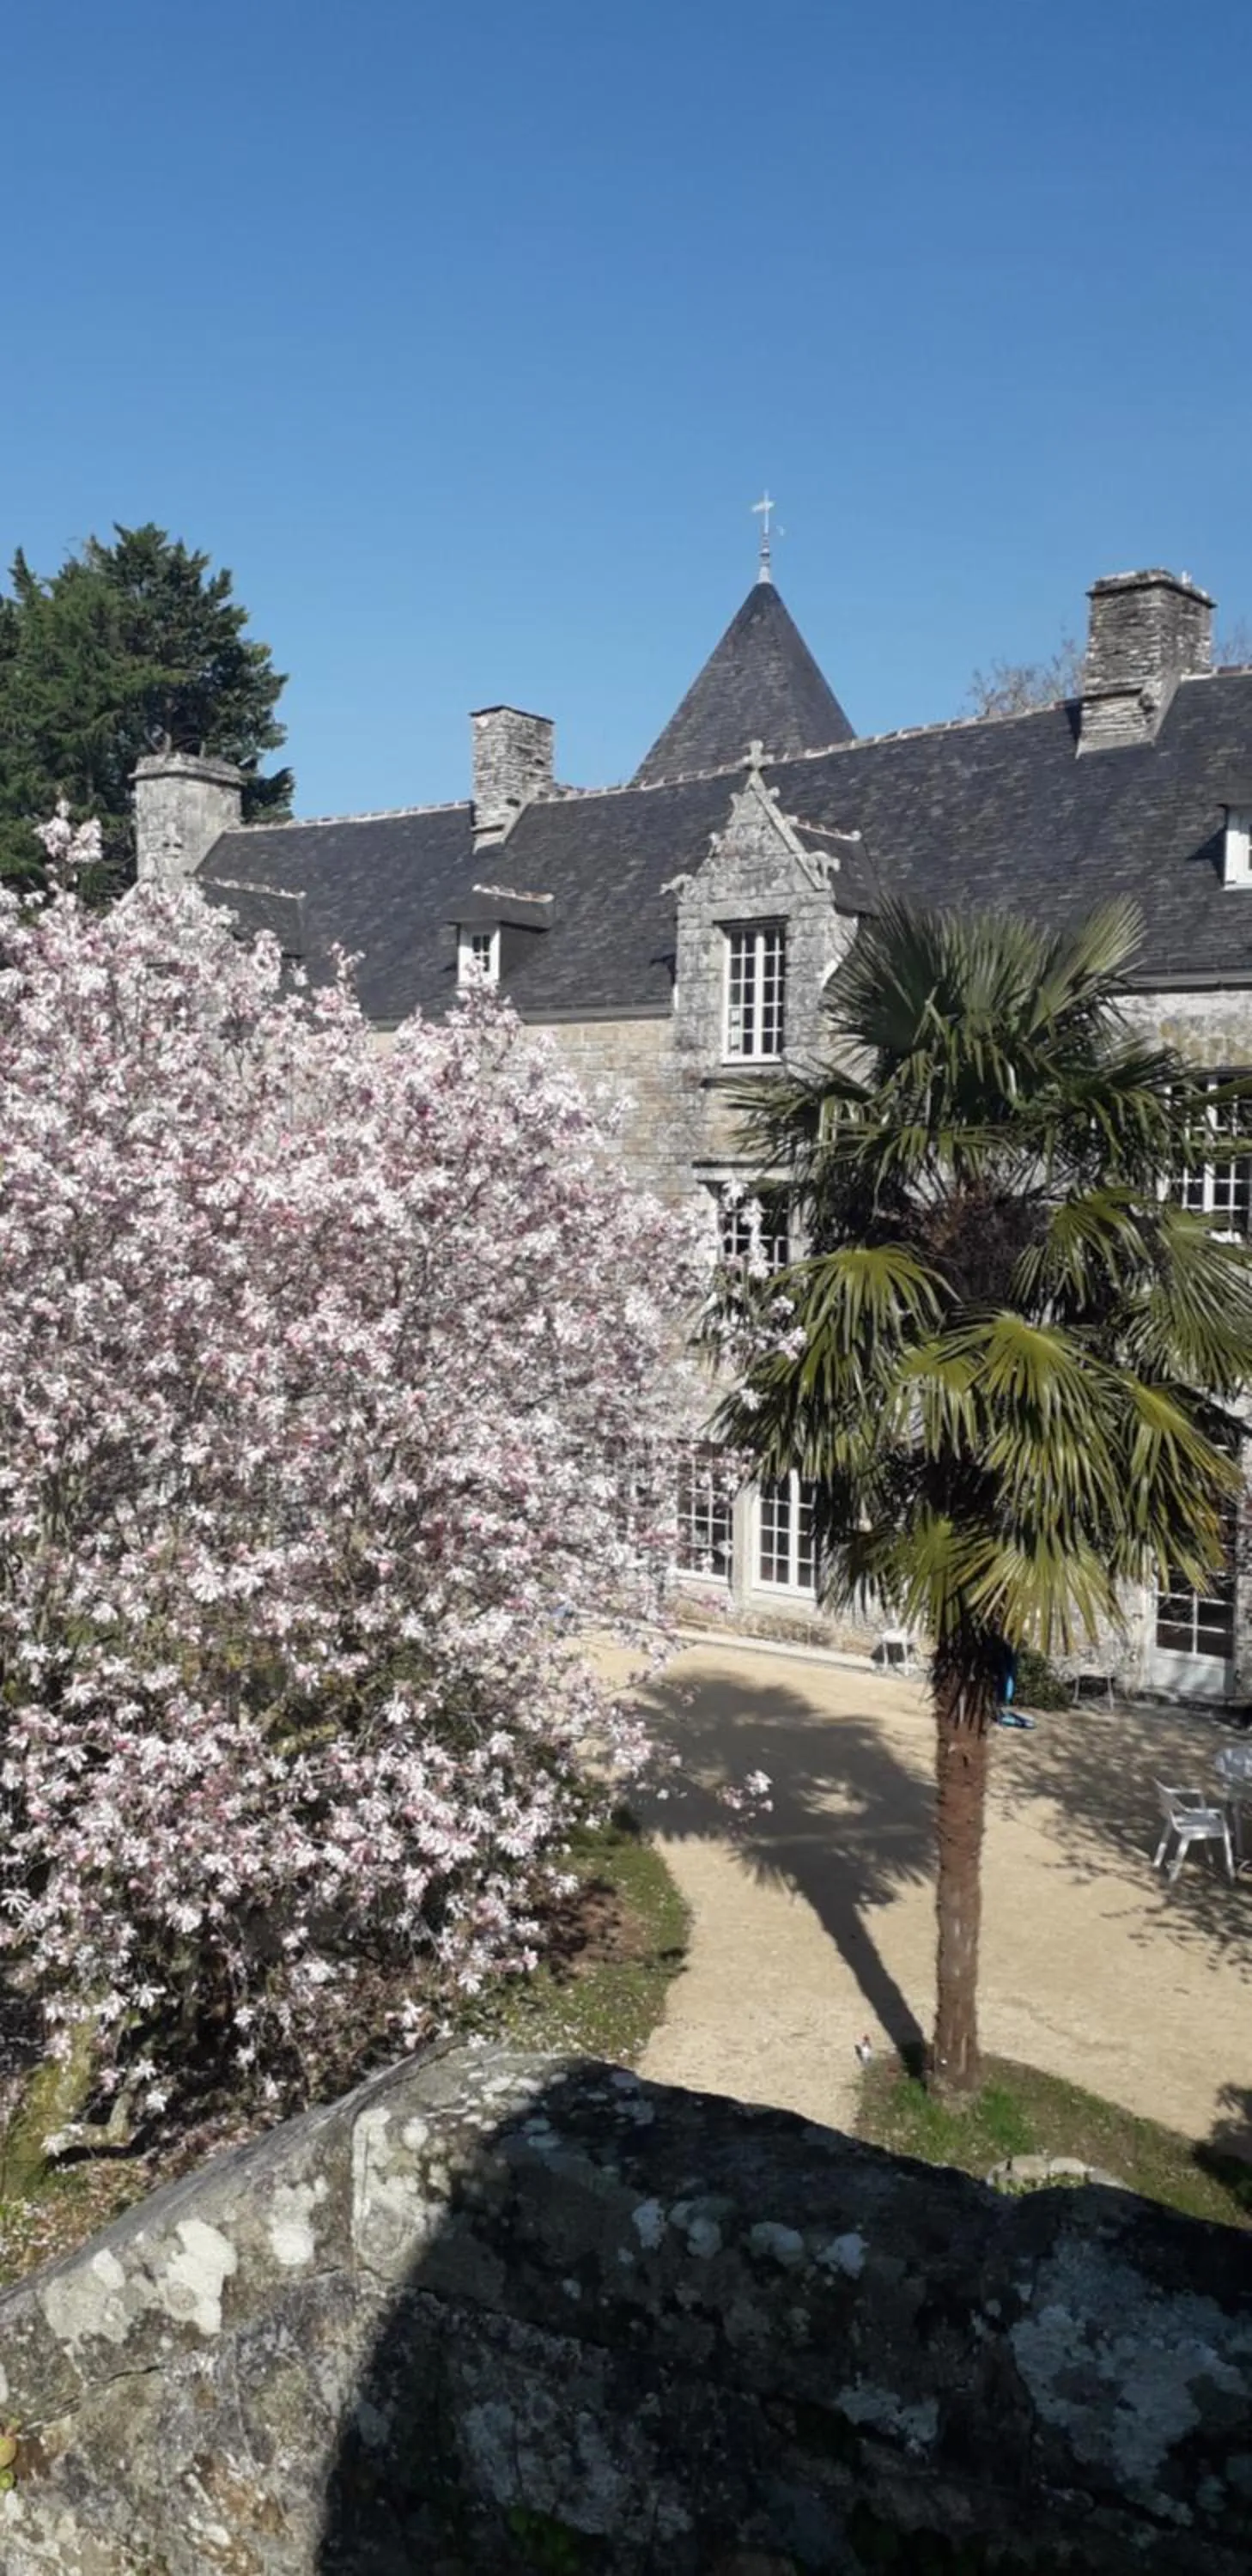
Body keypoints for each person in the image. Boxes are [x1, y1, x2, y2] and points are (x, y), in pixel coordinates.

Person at [994, 1639, 1034, 1730]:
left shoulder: (1013, 1653)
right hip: (1006, 1672)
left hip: (1009, 1672)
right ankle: (1001, 1717)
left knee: (1006, 1692)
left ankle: (1002, 1715)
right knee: (1004, 1693)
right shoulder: (1008, 1651)